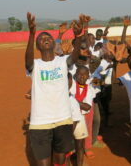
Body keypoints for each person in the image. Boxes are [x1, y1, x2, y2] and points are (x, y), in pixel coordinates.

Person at [25, 12, 83, 166]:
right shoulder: (35, 65)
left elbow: (75, 57)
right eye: (41, 39)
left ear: (53, 42)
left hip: (63, 118)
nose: (45, 39)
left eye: (48, 37)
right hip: (40, 122)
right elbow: (27, 61)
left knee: (60, 159)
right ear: (37, 46)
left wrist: (78, 37)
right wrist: (31, 35)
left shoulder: (63, 61)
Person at [70, 66, 96, 166]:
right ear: (75, 75)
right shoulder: (71, 85)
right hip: (68, 117)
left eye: (85, 75)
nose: (82, 77)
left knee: (80, 144)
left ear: (88, 76)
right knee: (67, 143)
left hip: (80, 118)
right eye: (80, 74)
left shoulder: (89, 90)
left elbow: (87, 107)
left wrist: (72, 100)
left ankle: (79, 163)